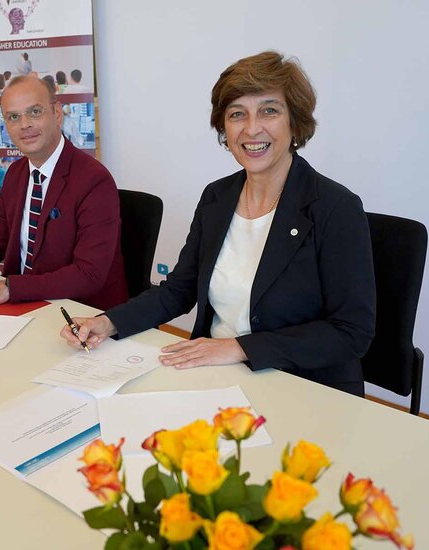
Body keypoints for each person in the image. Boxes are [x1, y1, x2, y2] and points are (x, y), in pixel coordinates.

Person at [60, 51, 375, 396]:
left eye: (269, 110)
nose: (252, 128)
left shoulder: (335, 208)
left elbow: (350, 331)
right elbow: (178, 290)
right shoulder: (217, 197)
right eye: (237, 114)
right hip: (215, 376)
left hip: (301, 386)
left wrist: (240, 348)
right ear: (224, 127)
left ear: (295, 122)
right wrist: (107, 322)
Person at [0, 76, 129, 310]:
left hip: (80, 313)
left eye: (35, 112)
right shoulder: (16, 173)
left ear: (57, 113)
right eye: (13, 117)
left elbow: (88, 274)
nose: (24, 124)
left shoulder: (93, 180)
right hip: (25, 305)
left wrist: (11, 288)